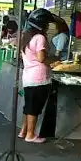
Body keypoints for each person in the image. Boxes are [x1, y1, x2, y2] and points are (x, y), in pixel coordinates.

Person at [18, 8, 61, 144]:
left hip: (28, 77)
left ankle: (23, 131)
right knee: (34, 108)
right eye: (47, 24)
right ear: (42, 24)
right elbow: (42, 58)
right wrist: (55, 60)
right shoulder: (40, 38)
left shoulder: (26, 36)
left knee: (29, 106)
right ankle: (30, 135)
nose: (48, 27)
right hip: (39, 78)